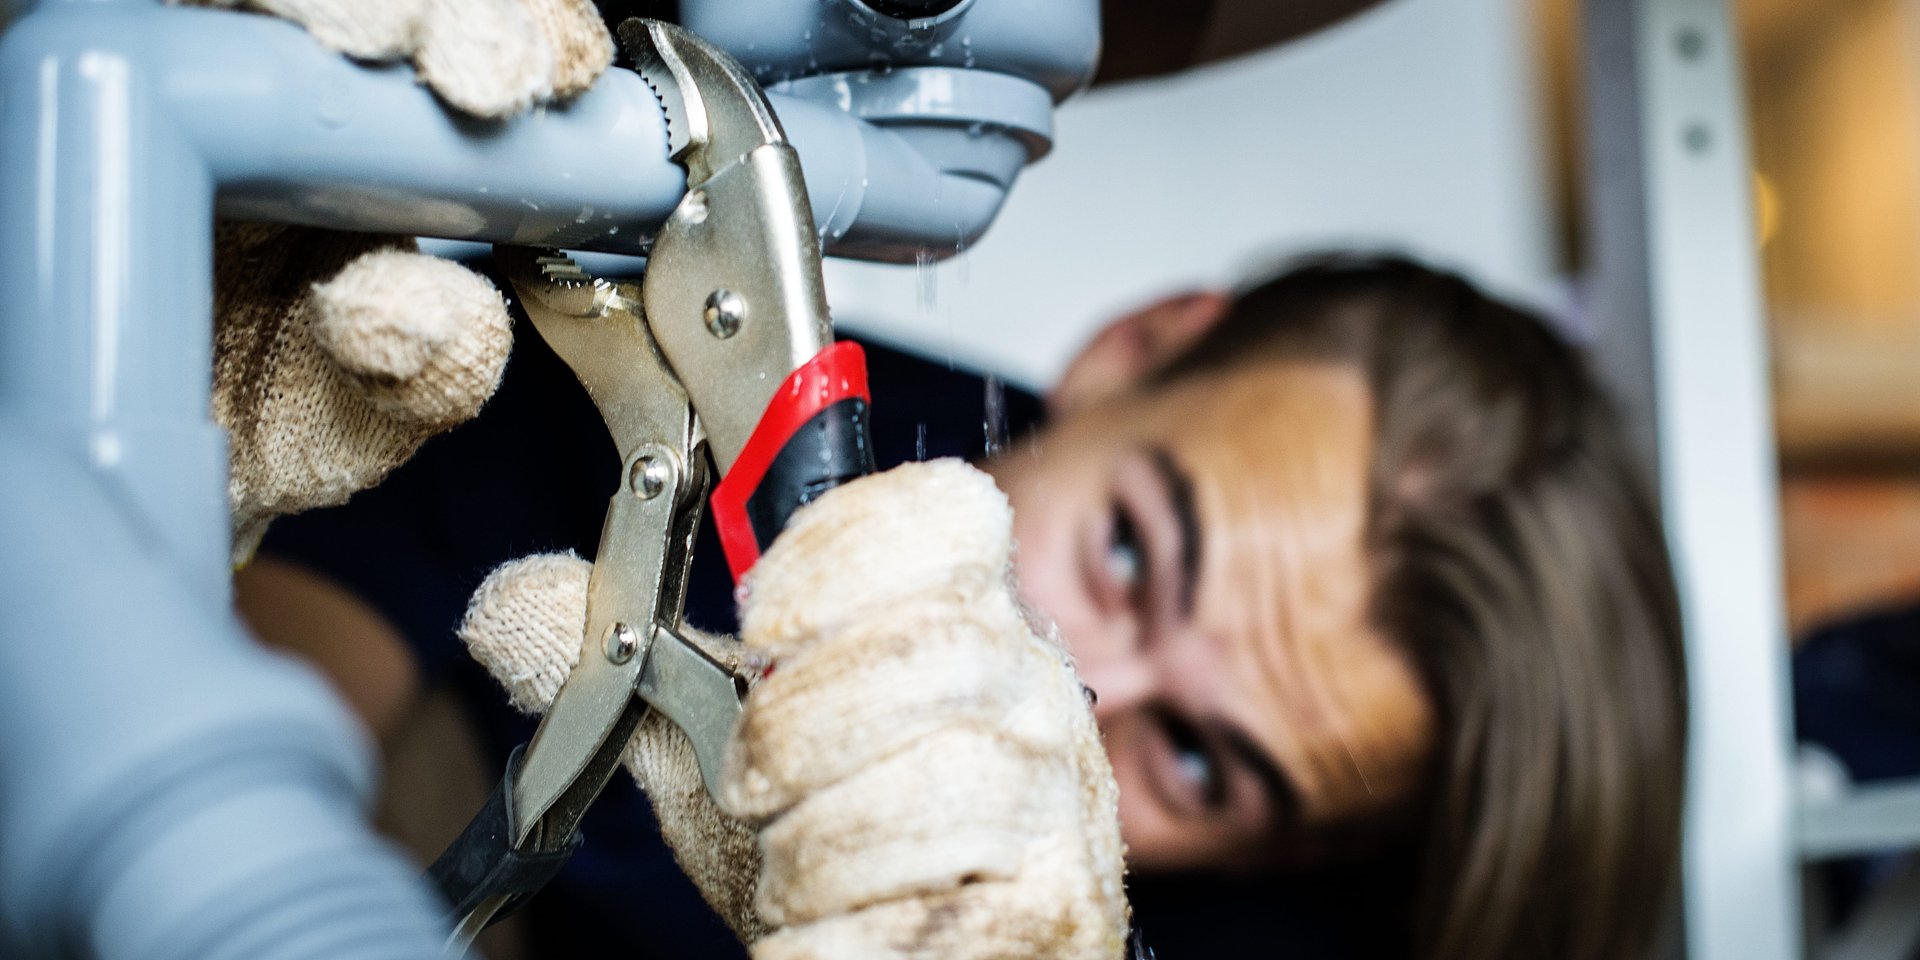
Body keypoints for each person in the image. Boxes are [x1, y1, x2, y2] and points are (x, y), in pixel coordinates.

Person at [240, 254, 1688, 959]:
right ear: (1135, 352)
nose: (1060, 683)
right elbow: (275, 685)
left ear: (1301, 860)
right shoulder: (675, 376)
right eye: (1128, 553)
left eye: (1199, 760)